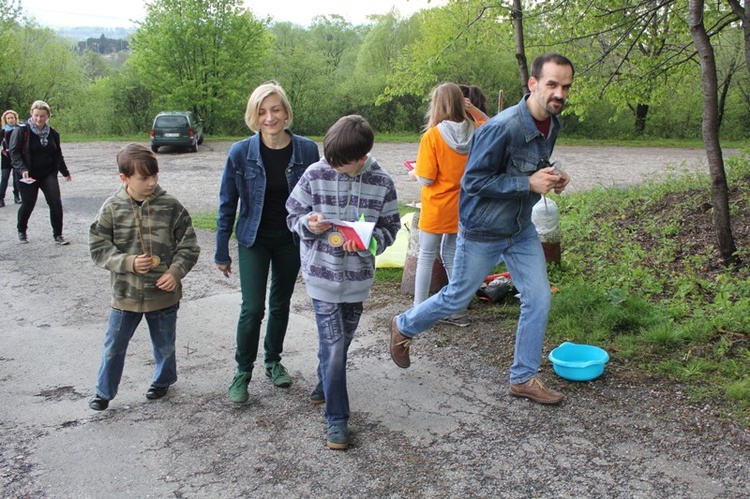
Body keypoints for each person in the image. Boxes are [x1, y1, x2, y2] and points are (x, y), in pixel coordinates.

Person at [389, 53, 574, 405]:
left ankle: (522, 378)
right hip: (483, 229)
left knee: (538, 297)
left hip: (519, 228)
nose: (559, 93)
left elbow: (533, 167)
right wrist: (527, 183)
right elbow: (473, 183)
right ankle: (404, 325)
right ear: (533, 84)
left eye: (565, 86)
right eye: (552, 84)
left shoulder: (552, 123)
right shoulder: (500, 127)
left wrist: (552, 176)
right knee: (458, 295)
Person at [286, 114, 400, 450]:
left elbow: (391, 229)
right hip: (321, 276)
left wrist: (369, 240)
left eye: (341, 164)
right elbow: (292, 213)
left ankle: (324, 381)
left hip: (357, 280)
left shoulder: (382, 182)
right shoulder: (315, 173)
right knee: (335, 349)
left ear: (362, 159)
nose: (332, 167)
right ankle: (337, 421)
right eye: (330, 160)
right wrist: (310, 222)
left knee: (340, 344)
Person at [215, 81, 320, 403]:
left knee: (280, 304)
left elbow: (317, 197)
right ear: (254, 116)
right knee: (252, 308)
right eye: (262, 111)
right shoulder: (240, 152)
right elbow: (227, 203)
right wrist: (221, 249)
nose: (269, 117)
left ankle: (273, 361)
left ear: (286, 112)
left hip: (291, 239)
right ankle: (242, 371)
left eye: (275, 109)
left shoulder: (306, 150)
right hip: (253, 239)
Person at [88, 143, 200, 411]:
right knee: (114, 345)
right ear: (124, 178)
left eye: (155, 176)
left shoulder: (171, 206)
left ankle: (163, 380)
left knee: (165, 345)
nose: (151, 182)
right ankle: (103, 392)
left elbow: (189, 245)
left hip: (163, 295)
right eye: (143, 178)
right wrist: (126, 262)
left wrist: (175, 272)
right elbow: (98, 247)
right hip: (125, 296)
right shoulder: (111, 208)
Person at [412, 83, 485, 328]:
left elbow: (427, 178)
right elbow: (494, 125)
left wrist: (415, 173)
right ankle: (458, 311)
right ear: (460, 102)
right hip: (462, 207)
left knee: (426, 257)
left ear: (437, 105)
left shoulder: (432, 136)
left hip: (436, 208)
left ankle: (418, 312)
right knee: (453, 256)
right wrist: (474, 109)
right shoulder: (475, 131)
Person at [9, 100, 72, 244]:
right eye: (36, 115)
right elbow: (14, 153)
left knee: (55, 202)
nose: (39, 119)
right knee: (28, 204)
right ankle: (22, 229)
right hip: (28, 174)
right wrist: (22, 168)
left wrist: (65, 171)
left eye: (42, 116)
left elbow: (57, 154)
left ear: (48, 116)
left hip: (47, 173)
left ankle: (58, 235)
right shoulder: (22, 131)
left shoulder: (53, 133)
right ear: (31, 114)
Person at [1, 110, 21, 207]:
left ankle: (17, 196)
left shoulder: (19, 129)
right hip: (6, 157)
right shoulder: (3, 131)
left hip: (17, 157)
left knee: (17, 178)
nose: (10, 120)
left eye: (12, 118)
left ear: (15, 119)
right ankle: (1, 198)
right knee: (4, 177)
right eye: (8, 118)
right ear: (5, 120)